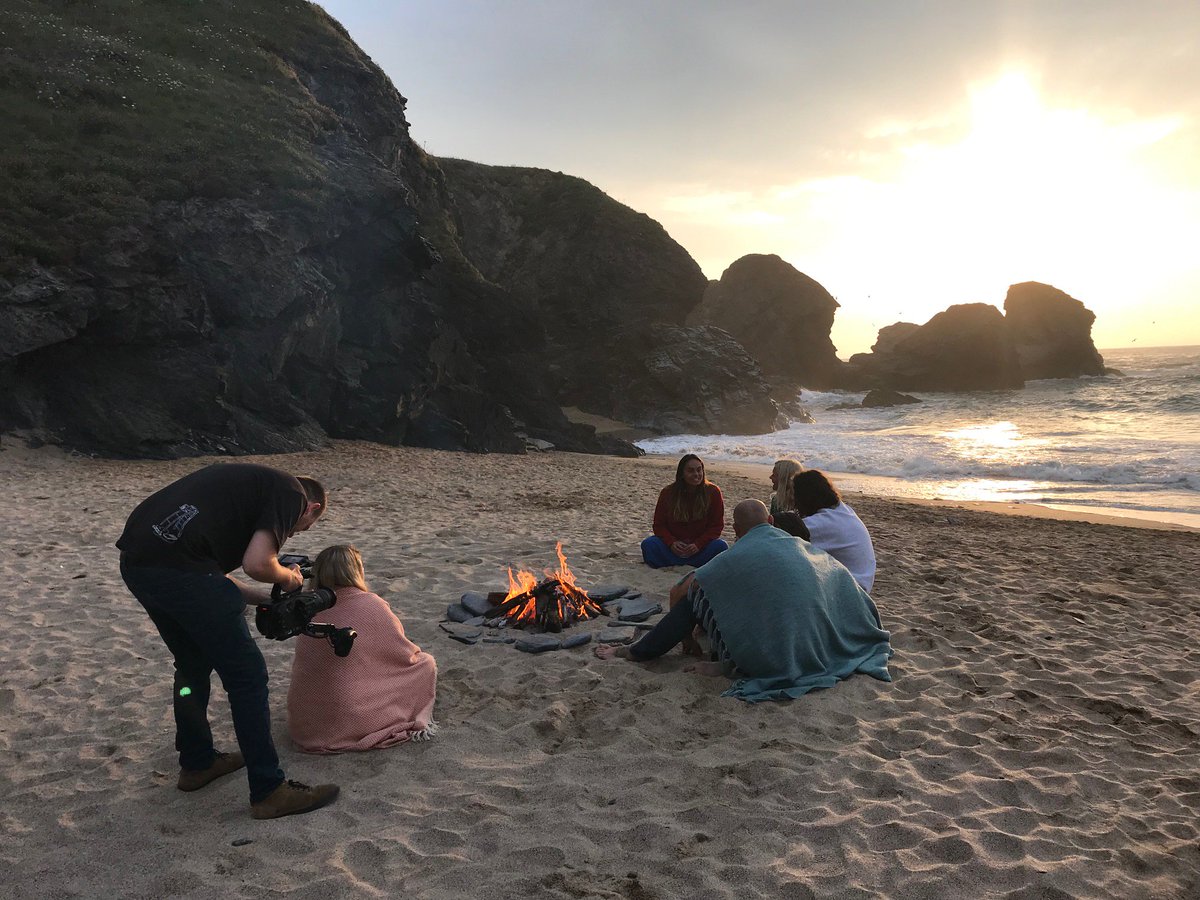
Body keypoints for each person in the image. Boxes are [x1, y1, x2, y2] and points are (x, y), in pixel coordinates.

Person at [116, 463, 339, 819]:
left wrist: (265, 599)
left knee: (192, 665)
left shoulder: (242, 490)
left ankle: (197, 763)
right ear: (311, 509)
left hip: (140, 566)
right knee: (248, 678)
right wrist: (289, 578)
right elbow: (256, 563)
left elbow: (207, 576)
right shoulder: (292, 493)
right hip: (179, 573)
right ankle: (269, 790)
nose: (293, 533)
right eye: (301, 529)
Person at [598, 499, 892, 702]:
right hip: (821, 645)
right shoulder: (804, 548)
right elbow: (842, 581)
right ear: (772, 521)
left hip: (772, 657)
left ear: (736, 531)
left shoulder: (732, 557)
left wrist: (687, 639)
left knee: (697, 599)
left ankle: (636, 653)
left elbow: (681, 592)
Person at [288, 545, 438, 753]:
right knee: (424, 664)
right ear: (355, 570)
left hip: (306, 723)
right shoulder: (371, 605)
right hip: (346, 717)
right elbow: (402, 654)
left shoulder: (306, 608)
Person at [774, 470, 876, 593]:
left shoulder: (824, 524)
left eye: (795, 496)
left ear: (805, 498)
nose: (793, 502)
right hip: (858, 582)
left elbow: (779, 535)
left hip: (852, 591)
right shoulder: (842, 511)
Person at [640, 454, 729, 568]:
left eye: (699, 470)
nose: (696, 474)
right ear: (682, 473)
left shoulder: (713, 492)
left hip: (699, 549)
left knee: (721, 546)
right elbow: (659, 525)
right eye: (690, 471)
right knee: (648, 544)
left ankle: (682, 563)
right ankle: (678, 562)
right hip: (673, 549)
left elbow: (716, 526)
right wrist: (672, 542)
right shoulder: (668, 493)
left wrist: (698, 544)